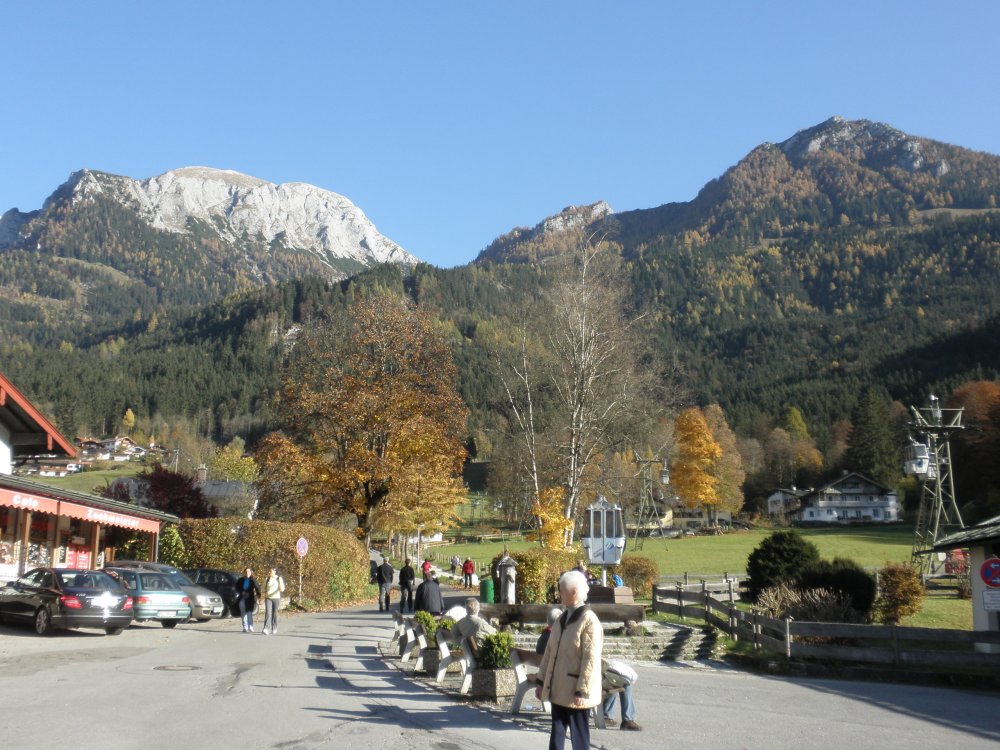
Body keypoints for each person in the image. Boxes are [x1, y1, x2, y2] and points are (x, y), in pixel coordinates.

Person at [535, 569, 603, 750]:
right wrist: (541, 681)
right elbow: (549, 652)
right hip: (558, 688)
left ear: (573, 592)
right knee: (557, 734)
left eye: (562, 590)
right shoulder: (561, 619)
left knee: (579, 738)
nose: (559, 594)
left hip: (575, 690)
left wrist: (582, 691)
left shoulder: (589, 621)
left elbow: (590, 659)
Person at [601, 659, 641, 731]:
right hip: (593, 679)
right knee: (626, 683)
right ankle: (627, 720)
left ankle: (607, 715)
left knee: (616, 681)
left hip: (597, 675)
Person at [235, 567, 261, 633]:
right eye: (246, 571)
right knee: (243, 612)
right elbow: (237, 587)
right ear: (244, 572)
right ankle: (245, 627)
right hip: (242, 597)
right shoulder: (241, 580)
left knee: (249, 612)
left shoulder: (253, 580)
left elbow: (257, 588)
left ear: (251, 572)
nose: (247, 573)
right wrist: (241, 592)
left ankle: (250, 626)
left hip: (250, 598)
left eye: (249, 571)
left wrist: (258, 596)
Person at [262, 566, 285, 636]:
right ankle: (266, 628)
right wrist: (263, 591)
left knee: (274, 613)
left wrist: (280, 588)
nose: (269, 572)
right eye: (269, 571)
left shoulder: (278, 578)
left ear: (275, 571)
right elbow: (263, 588)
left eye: (271, 571)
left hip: (276, 598)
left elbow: (282, 589)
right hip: (268, 598)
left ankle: (274, 627)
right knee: (268, 613)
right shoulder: (267, 579)